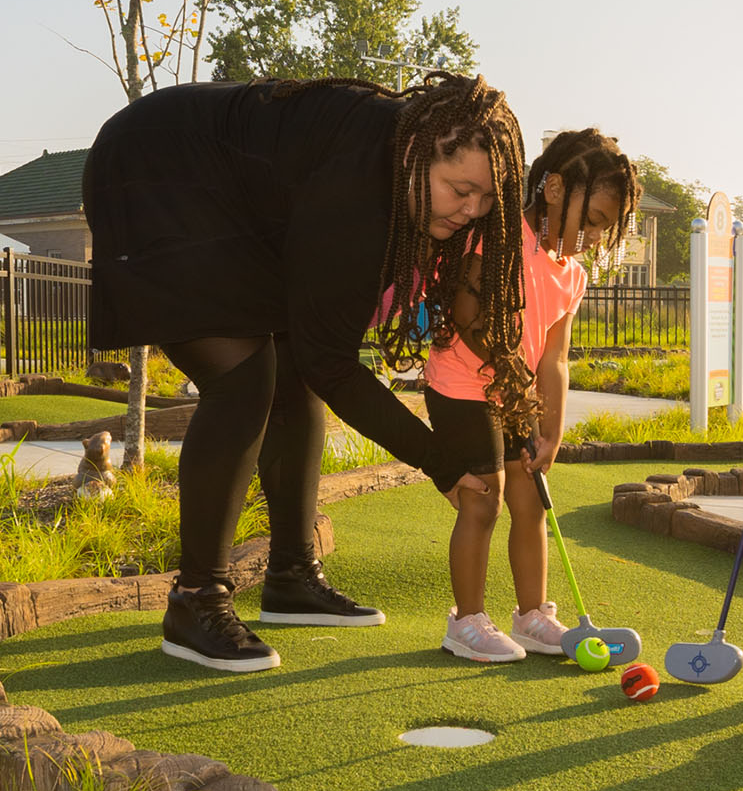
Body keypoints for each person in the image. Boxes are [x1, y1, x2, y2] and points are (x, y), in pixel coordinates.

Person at [83, 73, 540, 673]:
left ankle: (292, 575)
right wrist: (441, 464)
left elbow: (318, 354)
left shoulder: (396, 176)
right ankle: (197, 600)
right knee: (243, 379)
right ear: (418, 152)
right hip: (154, 168)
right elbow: (336, 365)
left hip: (229, 200)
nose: (472, 210)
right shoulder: (357, 188)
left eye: (486, 198)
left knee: (292, 368)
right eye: (460, 190)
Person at [428, 129, 640, 663]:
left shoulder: (572, 275)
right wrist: (516, 388)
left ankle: (531, 617)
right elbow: (469, 321)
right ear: (553, 189)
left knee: (532, 502)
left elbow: (555, 359)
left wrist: (552, 429)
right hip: (462, 383)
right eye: (589, 221)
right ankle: (467, 621)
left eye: (603, 229)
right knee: (483, 497)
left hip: (517, 396)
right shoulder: (496, 239)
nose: (593, 238)